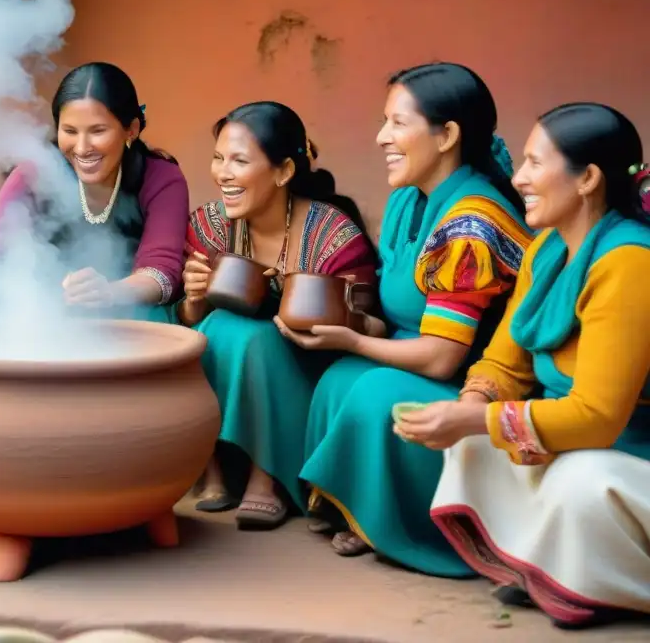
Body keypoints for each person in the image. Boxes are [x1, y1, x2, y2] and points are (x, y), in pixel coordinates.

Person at [405, 103, 650, 628]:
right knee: (470, 439)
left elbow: (599, 419)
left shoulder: (631, 262)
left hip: (631, 449)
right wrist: (471, 407)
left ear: (587, 179)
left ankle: (599, 585)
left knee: (580, 481)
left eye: (536, 164)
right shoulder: (547, 249)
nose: (519, 179)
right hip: (584, 437)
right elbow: (505, 362)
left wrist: (473, 419)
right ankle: (541, 567)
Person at [292, 63, 532, 574]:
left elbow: (443, 358)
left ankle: (409, 522)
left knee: (374, 389)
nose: (382, 137)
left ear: (447, 135)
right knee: (341, 378)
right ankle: (352, 507)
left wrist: (356, 342)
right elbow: (398, 307)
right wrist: (359, 328)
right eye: (385, 122)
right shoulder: (408, 199)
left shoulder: (472, 223)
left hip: (474, 386)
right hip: (415, 358)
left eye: (398, 124)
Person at [179, 101, 377, 529]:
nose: (223, 173)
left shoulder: (333, 235)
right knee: (215, 327)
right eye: (218, 158)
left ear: (284, 170)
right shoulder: (210, 227)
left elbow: (374, 324)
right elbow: (189, 319)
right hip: (234, 383)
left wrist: (334, 319)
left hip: (307, 383)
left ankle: (266, 479)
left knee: (256, 336)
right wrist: (195, 296)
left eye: (239, 161)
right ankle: (214, 467)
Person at [0, 62, 188, 316]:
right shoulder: (33, 176)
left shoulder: (161, 179)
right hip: (46, 316)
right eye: (70, 131)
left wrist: (109, 293)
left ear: (131, 129)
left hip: (135, 317)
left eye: (98, 131)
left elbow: (162, 273)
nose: (82, 147)